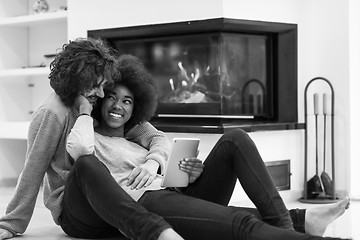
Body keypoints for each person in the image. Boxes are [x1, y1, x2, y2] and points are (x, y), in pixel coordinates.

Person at [66, 54, 351, 240]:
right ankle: (301, 225)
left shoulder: (138, 135)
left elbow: (159, 143)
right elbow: (79, 153)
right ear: (100, 99)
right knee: (239, 221)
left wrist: (190, 173)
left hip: (172, 192)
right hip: (147, 204)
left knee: (235, 138)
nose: (118, 105)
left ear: (136, 106)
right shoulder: (89, 136)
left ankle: (292, 223)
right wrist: (82, 110)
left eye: (127, 101)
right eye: (112, 97)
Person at [0, 38, 183, 240]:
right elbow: (32, 170)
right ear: (79, 79)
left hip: (106, 204)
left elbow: (151, 135)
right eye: (97, 86)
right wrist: (12, 222)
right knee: (86, 163)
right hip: (75, 209)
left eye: (104, 86)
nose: (102, 93)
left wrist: (153, 161)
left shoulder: (94, 100)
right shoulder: (52, 114)